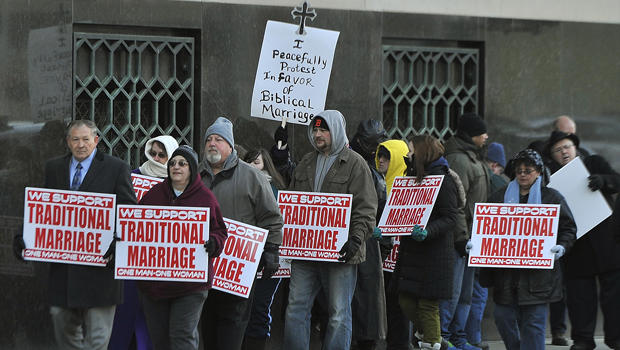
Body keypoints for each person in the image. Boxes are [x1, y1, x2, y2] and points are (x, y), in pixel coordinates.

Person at [13, 119, 137, 349]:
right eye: (75, 139)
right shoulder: (54, 168)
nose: (81, 145)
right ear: (68, 142)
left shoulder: (116, 168)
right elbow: (40, 209)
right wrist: (24, 235)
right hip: (65, 271)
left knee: (98, 340)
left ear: (96, 141)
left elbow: (130, 212)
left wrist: (117, 240)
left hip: (101, 270)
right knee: (63, 327)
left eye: (86, 139)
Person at [283, 110, 377, 350]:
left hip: (340, 253)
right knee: (296, 307)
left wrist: (356, 239)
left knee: (338, 313)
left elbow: (365, 208)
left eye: (323, 129)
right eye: (314, 130)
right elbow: (292, 205)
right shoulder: (305, 162)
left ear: (335, 130)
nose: (317, 134)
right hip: (305, 252)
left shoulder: (355, 163)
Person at [479, 149, 577, 350]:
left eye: (528, 170)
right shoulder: (498, 198)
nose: (523, 174)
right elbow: (486, 228)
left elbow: (568, 229)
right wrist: (477, 244)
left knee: (533, 326)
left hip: (538, 281)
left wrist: (562, 246)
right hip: (506, 278)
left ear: (539, 172)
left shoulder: (552, 198)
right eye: (519, 170)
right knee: (503, 318)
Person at [199, 117, 283, 350]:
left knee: (232, 327)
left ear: (231, 146)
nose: (212, 144)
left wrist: (271, 250)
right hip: (204, 267)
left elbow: (271, 217)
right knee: (208, 327)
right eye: (208, 139)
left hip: (238, 270)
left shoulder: (251, 176)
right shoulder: (196, 175)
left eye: (218, 139)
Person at [136, 145, 227, 350]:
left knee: (182, 336)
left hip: (190, 285)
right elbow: (136, 226)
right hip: (155, 284)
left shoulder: (205, 198)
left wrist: (213, 242)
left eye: (182, 163)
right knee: (160, 340)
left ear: (192, 169)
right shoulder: (154, 195)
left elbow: (220, 232)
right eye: (173, 163)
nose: (176, 167)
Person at [544, 131, 620, 350]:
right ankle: (582, 339)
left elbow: (617, 180)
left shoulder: (594, 162)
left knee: (614, 296)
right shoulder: (551, 179)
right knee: (580, 298)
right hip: (576, 247)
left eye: (566, 147)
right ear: (553, 155)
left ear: (575, 147)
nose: (564, 152)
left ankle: (615, 337)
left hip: (608, 241)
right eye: (558, 150)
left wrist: (603, 180)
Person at [109, 135, 179, 350]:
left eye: (162, 154)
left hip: (157, 262)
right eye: (154, 153)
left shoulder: (177, 183)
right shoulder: (132, 176)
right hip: (129, 258)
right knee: (125, 313)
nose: (156, 159)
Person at [393, 134, 458, 350]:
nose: (408, 155)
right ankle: (433, 336)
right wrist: (385, 229)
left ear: (422, 153)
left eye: (411, 150)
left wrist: (428, 232)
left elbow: (450, 217)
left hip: (434, 254)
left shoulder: (444, 180)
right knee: (406, 300)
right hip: (412, 253)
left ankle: (432, 341)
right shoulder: (412, 177)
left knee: (428, 304)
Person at [441, 113, 490, 350]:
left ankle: (458, 337)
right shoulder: (459, 159)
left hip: (472, 238)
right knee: (454, 291)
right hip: (459, 239)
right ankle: (445, 336)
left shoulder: (471, 157)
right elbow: (458, 204)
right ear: (472, 135)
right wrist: (461, 237)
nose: (486, 137)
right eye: (482, 133)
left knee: (465, 293)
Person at [349, 120, 390, 350]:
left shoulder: (370, 169)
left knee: (366, 299)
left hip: (367, 240)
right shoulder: (364, 168)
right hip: (359, 239)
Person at [463, 141, 509, 350]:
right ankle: (473, 337)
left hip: (470, 240)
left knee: (465, 293)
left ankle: (465, 337)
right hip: (487, 244)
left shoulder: (474, 172)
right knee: (478, 293)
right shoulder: (502, 182)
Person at [241, 148, 286, 350]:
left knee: (260, 306)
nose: (252, 167)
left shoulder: (275, 190)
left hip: (268, 260)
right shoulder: (238, 187)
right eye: (248, 162)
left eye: (257, 162)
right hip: (244, 258)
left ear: (266, 166)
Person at [372, 138, 413, 350]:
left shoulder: (411, 186)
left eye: (387, 157)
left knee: (399, 308)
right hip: (380, 257)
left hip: (401, 259)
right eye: (379, 155)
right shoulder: (376, 184)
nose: (381, 160)